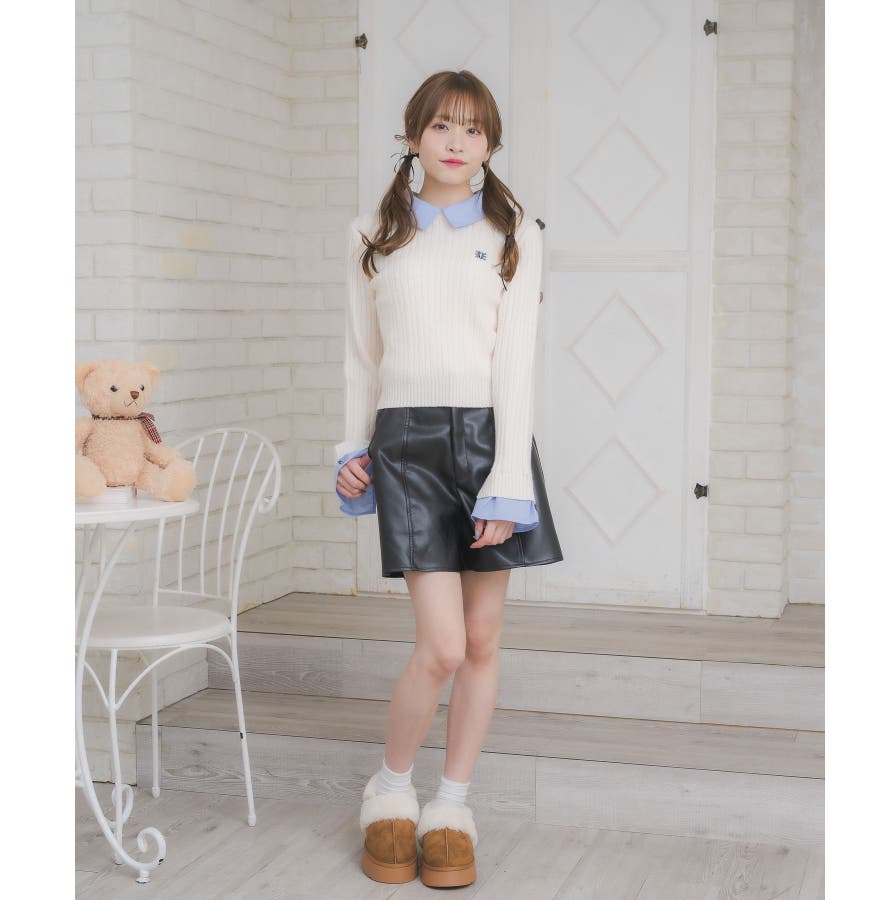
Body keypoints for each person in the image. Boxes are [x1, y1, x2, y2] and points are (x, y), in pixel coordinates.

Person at [334, 69, 563, 888]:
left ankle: (451, 808)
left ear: (491, 143)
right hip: (406, 442)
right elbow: (362, 357)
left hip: (490, 441)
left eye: (473, 129)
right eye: (441, 125)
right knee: (441, 645)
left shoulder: (514, 232)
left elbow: (517, 361)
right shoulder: (372, 233)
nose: (457, 142)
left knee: (483, 640)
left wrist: (508, 477)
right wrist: (349, 446)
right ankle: (390, 791)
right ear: (413, 136)